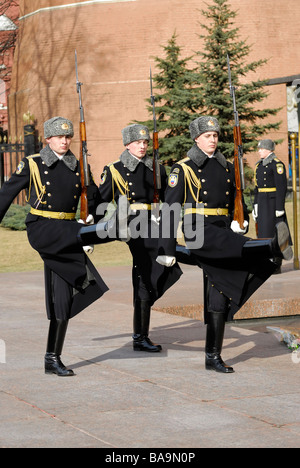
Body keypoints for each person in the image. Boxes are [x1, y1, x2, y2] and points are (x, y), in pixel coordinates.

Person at [157, 116, 292, 374]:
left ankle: (213, 355)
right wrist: (166, 247)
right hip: (198, 230)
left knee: (224, 291)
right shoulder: (182, 169)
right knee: (248, 248)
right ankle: (273, 245)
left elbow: (232, 201)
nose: (213, 139)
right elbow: (171, 209)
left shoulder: (227, 167)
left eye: (216, 135)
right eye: (208, 136)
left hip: (221, 231)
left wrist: (236, 221)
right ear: (196, 138)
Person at [0, 116, 111, 377]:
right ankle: (52, 357)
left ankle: (52, 358)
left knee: (72, 289)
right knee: (80, 276)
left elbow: (93, 195)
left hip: (68, 230)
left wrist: (93, 215)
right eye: (59, 136)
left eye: (68, 136)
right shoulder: (33, 164)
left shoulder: (78, 166)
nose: (64, 140)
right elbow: (6, 193)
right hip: (44, 229)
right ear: (47, 139)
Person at [98, 124, 182, 352]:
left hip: (155, 222)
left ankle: (140, 334)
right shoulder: (115, 169)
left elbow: (169, 199)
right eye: (138, 142)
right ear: (127, 144)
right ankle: (140, 335)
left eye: (145, 142)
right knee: (148, 265)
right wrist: (91, 231)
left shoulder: (157, 169)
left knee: (150, 272)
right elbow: (100, 201)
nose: (143, 146)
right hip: (131, 223)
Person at [252, 139, 292, 271]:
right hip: (262, 202)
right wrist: (255, 205)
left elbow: (281, 187)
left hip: (273, 202)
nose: (259, 152)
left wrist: (279, 207)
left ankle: (276, 263)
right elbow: (257, 188)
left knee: (276, 232)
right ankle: (266, 260)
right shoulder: (259, 165)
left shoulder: (277, 164)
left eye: (261, 149)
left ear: (269, 150)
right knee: (263, 232)